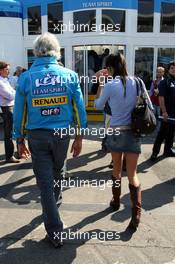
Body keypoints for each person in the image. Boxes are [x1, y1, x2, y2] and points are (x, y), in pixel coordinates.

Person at [13, 33, 87, 247]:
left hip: (37, 135)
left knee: (46, 183)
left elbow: (20, 112)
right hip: (62, 135)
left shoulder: (26, 77)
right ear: (57, 51)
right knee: (57, 174)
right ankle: (55, 222)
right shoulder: (70, 75)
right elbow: (79, 108)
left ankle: (53, 226)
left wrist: (19, 138)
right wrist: (80, 136)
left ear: (36, 52)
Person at [95, 53, 142, 231]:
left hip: (115, 131)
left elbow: (98, 106)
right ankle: (136, 214)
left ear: (111, 68)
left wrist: (100, 82)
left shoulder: (109, 84)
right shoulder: (137, 81)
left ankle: (115, 201)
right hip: (133, 132)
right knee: (133, 174)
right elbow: (149, 107)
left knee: (116, 169)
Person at [150, 62, 175, 161]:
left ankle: (167, 150)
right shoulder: (165, 82)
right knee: (162, 133)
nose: (174, 69)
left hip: (174, 113)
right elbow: (161, 97)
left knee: (171, 133)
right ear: (168, 70)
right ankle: (155, 153)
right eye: (172, 68)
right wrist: (164, 111)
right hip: (166, 113)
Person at [0, 61, 20, 163]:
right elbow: (11, 95)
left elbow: (13, 92)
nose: (9, 71)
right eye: (7, 69)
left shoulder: (5, 80)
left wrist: (13, 93)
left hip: (10, 106)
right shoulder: (0, 82)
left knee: (13, 131)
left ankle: (16, 153)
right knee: (9, 133)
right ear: (1, 70)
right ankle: (9, 156)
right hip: (7, 108)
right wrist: (13, 93)